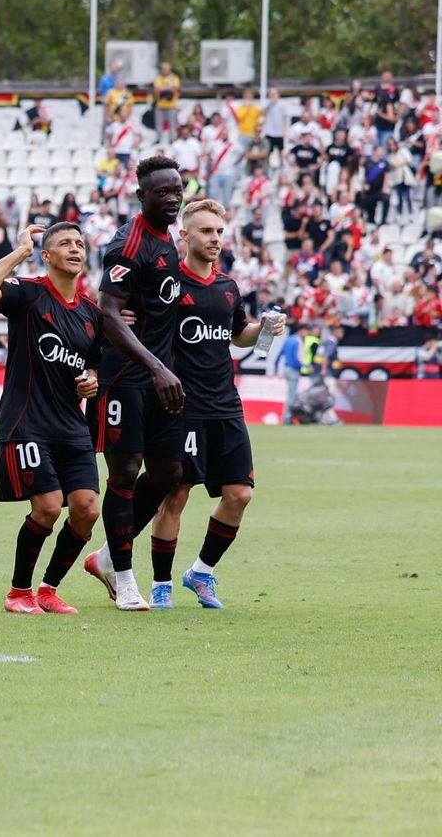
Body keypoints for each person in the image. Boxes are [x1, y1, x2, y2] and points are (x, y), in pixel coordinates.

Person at [141, 199, 281, 609]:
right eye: (206, 231)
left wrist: (264, 329)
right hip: (180, 406)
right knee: (177, 494)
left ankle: (200, 572)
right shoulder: (169, 284)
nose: (215, 238)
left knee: (240, 493)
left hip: (225, 405)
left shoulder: (227, 287)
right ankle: (161, 584)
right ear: (184, 236)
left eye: (219, 232)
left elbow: (237, 335)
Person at [0, 222, 106, 615]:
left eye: (79, 243)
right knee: (47, 507)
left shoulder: (91, 314)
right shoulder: (28, 293)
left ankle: (48, 590)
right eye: (64, 243)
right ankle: (17, 592)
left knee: (87, 509)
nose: (75, 249)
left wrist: (91, 382)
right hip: (27, 423)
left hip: (71, 427)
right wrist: (20, 251)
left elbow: (95, 366)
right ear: (46, 256)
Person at [82, 155, 187, 612]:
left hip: (160, 378)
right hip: (126, 378)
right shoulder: (129, 244)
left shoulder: (167, 243)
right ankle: (125, 579)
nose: (172, 198)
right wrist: (156, 367)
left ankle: (107, 555)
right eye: (162, 191)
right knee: (124, 475)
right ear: (140, 195)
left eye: (177, 189)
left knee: (169, 473)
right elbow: (108, 311)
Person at [153, 61, 181, 143]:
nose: (165, 70)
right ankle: (158, 140)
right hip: (160, 106)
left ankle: (172, 140)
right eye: (163, 69)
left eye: (166, 68)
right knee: (158, 125)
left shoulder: (175, 78)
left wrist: (162, 88)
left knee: (172, 125)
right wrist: (168, 87)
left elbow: (175, 89)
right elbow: (157, 90)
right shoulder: (158, 78)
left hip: (171, 106)